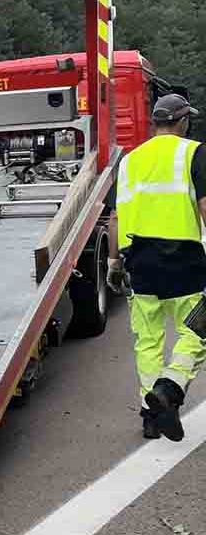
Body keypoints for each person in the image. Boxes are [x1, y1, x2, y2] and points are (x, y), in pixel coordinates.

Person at [107, 94, 206, 442]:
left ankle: (152, 416)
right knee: (197, 331)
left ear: (154, 123)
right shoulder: (194, 152)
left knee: (147, 342)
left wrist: (114, 262)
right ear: (182, 122)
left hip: (140, 262)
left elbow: (116, 216)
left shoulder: (130, 161)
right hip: (185, 262)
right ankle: (171, 387)